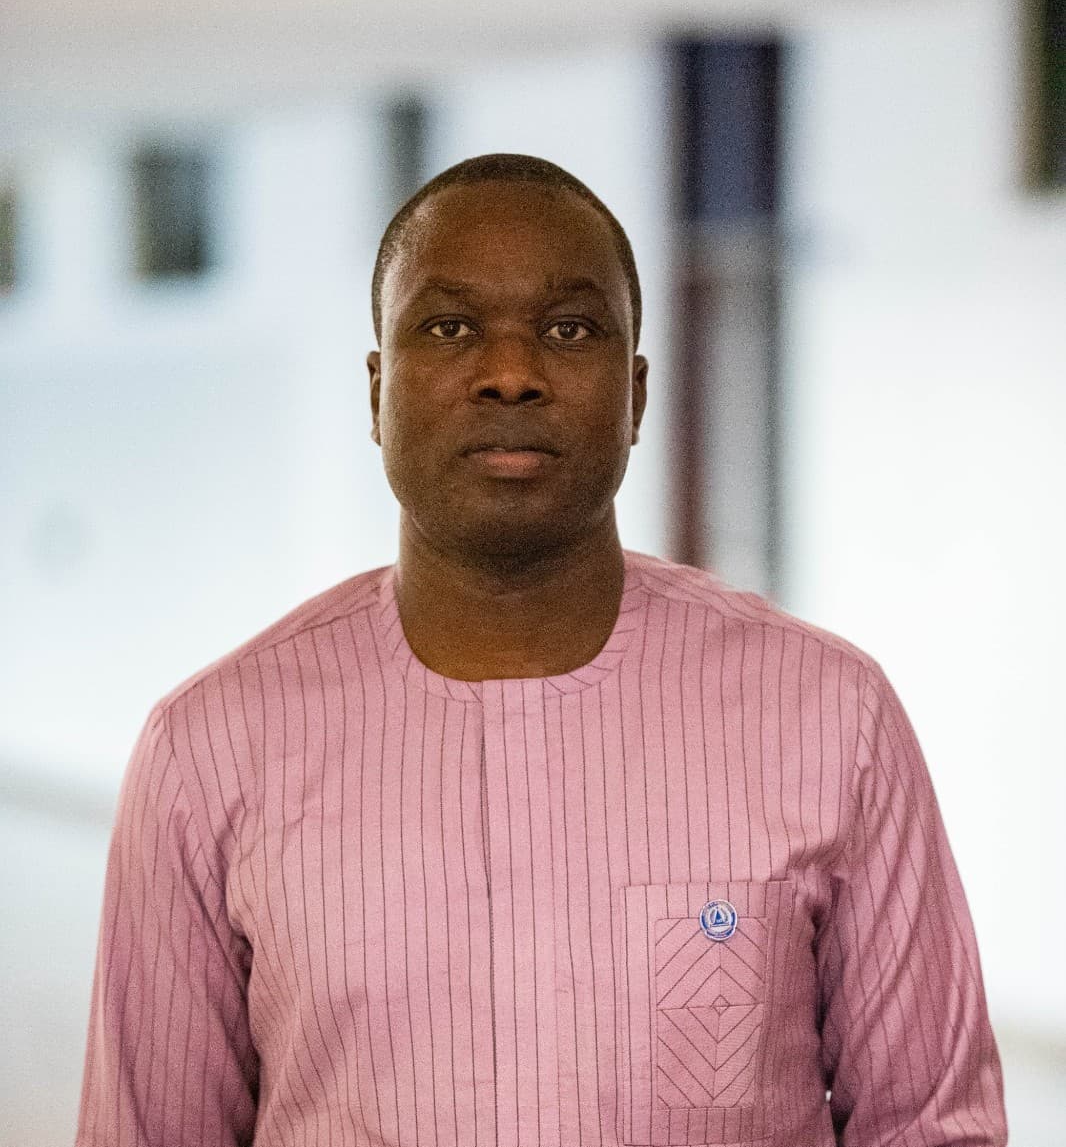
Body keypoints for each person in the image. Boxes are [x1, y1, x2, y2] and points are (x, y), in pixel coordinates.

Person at [75, 153, 1007, 1146]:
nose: (511, 374)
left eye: (569, 329)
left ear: (636, 394)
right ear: (377, 391)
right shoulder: (209, 750)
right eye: (450, 327)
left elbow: (931, 1126)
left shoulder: (830, 716)